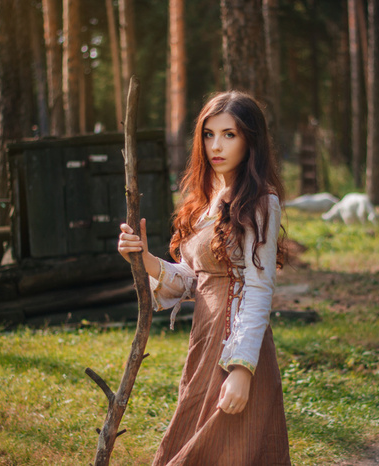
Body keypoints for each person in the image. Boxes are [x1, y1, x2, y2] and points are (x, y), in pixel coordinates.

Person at [118, 91, 291, 465]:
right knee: (192, 437)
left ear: (251, 140)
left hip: (238, 343)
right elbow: (194, 282)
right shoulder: (204, 201)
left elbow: (258, 287)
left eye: (230, 134)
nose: (217, 145)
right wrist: (144, 258)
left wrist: (242, 369)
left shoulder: (261, 201)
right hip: (204, 340)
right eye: (209, 134)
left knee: (229, 449)